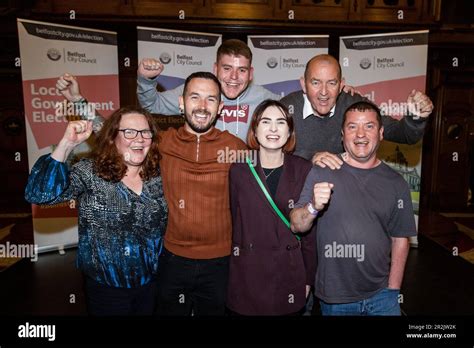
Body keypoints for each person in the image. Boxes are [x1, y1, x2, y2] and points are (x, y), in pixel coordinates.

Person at [25, 107, 168, 315]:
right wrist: (66, 145)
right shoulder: (91, 172)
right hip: (106, 287)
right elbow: (40, 195)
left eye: (145, 132)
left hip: (150, 283)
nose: (139, 139)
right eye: (129, 132)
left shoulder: (158, 175)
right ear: (112, 138)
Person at [290, 101, 416, 316]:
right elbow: (296, 225)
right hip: (336, 300)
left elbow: (400, 238)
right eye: (352, 127)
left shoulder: (396, 182)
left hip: (382, 296)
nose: (360, 134)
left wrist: (393, 290)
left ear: (381, 132)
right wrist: (313, 206)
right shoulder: (323, 171)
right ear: (342, 134)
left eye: (369, 126)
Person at [227, 99, 316, 316]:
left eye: (281, 122)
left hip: (288, 272)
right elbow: (236, 223)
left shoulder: (304, 169)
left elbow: (311, 234)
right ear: (255, 130)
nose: (273, 129)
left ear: (289, 132)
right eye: (266, 122)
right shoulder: (239, 170)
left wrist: (308, 279)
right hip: (248, 273)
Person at [280, 54, 434, 166]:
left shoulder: (353, 104)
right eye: (316, 83)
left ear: (341, 85)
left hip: (342, 195)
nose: (324, 92)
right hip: (297, 194)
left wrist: (416, 117)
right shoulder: (285, 109)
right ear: (303, 84)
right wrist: (310, 158)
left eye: (332, 83)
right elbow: (269, 155)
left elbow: (403, 134)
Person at [137, 39, 279, 141]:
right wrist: (146, 80)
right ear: (215, 69)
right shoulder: (197, 91)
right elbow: (151, 104)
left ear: (250, 73)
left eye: (242, 70)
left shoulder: (264, 99)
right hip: (203, 173)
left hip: (243, 176)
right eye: (227, 68)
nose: (234, 77)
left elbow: (293, 114)